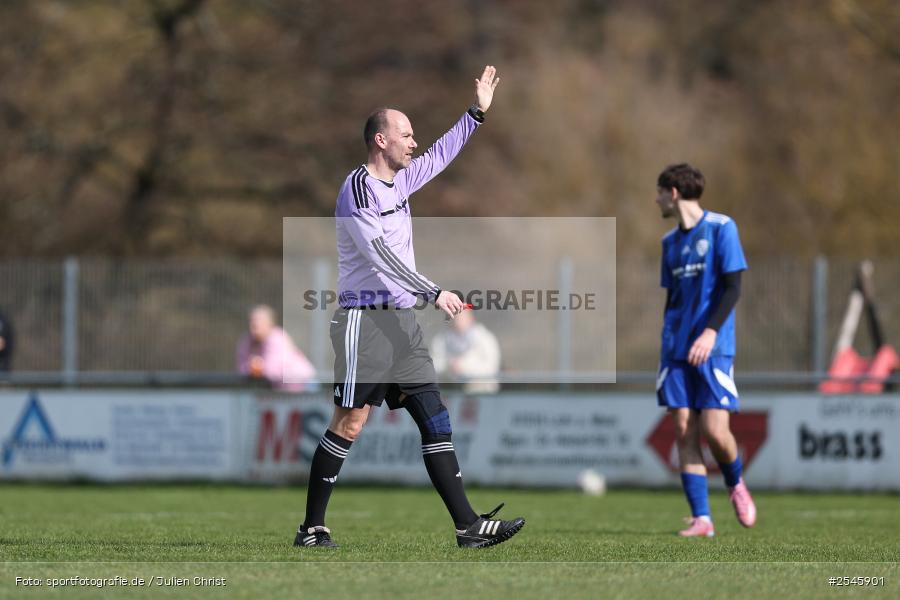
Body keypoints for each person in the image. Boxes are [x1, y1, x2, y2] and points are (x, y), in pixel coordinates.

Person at [294, 65, 524, 550]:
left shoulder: (400, 182)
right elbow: (378, 255)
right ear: (381, 140)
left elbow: (442, 154)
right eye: (406, 134)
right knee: (351, 421)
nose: (414, 142)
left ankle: (467, 526)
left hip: (402, 323)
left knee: (434, 415)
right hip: (365, 321)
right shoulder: (358, 189)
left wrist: (476, 112)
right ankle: (312, 528)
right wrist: (432, 291)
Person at [654, 163, 757, 537]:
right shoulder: (669, 243)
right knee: (683, 427)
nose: (657, 199)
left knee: (715, 431)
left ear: (674, 193)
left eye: (660, 192)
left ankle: (735, 484)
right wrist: (667, 345)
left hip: (713, 347)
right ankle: (702, 519)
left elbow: (733, 287)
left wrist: (710, 332)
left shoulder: (721, 228)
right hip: (676, 350)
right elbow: (673, 300)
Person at [236, 304, 316, 392]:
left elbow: (273, 371)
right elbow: (242, 369)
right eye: (252, 320)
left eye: (259, 320)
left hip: (304, 384)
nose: (254, 323)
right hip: (280, 391)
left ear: (270, 323)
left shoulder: (277, 338)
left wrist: (258, 367)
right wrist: (251, 368)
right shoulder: (246, 341)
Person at [430, 309, 501, 394]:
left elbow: (492, 368)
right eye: (455, 316)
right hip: (449, 394)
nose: (458, 319)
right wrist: (449, 367)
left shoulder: (485, 339)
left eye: (462, 316)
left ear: (471, 318)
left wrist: (465, 367)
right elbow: (434, 366)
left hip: (481, 393)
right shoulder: (441, 340)